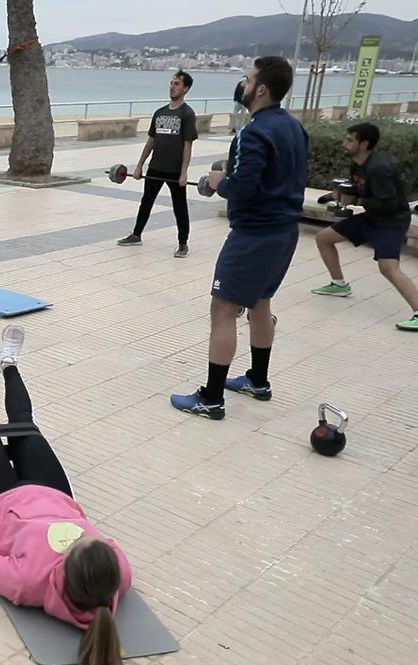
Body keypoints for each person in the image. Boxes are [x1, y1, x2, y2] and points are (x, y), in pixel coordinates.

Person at [0, 322, 131, 665]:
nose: (86, 535)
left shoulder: (29, 584)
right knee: (26, 425)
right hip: (55, 494)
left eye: (81, 542)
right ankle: (8, 362)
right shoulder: (117, 575)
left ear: (68, 565)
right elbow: (111, 549)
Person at [171, 56, 309, 420]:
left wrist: (219, 183)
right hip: (285, 232)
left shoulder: (255, 130)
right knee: (260, 303)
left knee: (223, 310)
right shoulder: (294, 127)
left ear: (261, 88)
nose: (242, 86)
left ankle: (211, 398)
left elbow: (244, 187)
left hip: (255, 235)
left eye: (247, 80)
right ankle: (257, 381)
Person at [311, 122, 418, 331]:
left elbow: (389, 203)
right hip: (372, 217)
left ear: (364, 144)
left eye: (350, 140)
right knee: (324, 238)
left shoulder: (379, 168)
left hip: (391, 221)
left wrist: (357, 202)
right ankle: (340, 285)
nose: (345, 143)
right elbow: (360, 189)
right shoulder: (357, 164)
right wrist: (336, 195)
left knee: (388, 268)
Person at [116, 71, 198, 257]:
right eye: (171, 83)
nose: (172, 86)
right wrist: (139, 166)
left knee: (180, 207)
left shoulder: (187, 114)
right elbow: (151, 141)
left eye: (177, 84)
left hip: (175, 170)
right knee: (146, 202)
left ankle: (183, 244)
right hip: (155, 167)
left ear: (185, 89)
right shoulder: (159, 113)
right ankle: (136, 235)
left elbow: (187, 145)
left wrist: (184, 173)